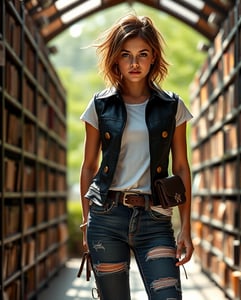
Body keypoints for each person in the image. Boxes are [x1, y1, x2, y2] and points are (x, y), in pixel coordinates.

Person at [79, 14, 193, 300]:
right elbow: (89, 167)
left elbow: (181, 166)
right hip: (106, 218)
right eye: (126, 55)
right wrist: (86, 223)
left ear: (153, 58)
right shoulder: (99, 106)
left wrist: (186, 229)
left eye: (142, 54)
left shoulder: (172, 106)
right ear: (115, 60)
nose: (134, 63)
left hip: (155, 218)